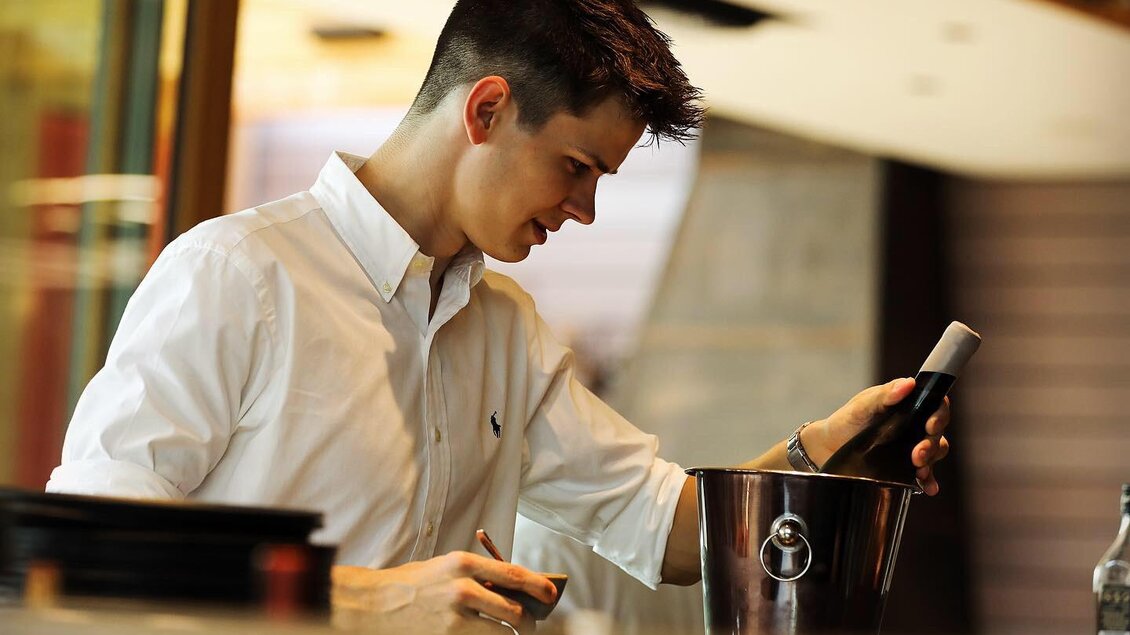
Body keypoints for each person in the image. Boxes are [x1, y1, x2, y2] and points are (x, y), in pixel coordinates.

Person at [46, 0, 951, 632]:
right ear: (486, 108)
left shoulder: (506, 326)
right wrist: (362, 601)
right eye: (576, 166)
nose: (586, 210)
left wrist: (820, 449)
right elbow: (88, 551)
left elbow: (669, 531)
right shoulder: (234, 274)